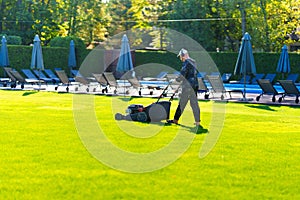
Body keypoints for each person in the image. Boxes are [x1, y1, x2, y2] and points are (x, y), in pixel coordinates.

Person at [167, 48, 202, 128]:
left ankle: (175, 120)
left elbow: (183, 75)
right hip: (195, 85)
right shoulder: (193, 61)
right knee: (194, 103)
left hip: (188, 86)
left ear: (184, 56)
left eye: (181, 57)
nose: (181, 59)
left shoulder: (186, 62)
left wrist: (175, 80)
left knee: (182, 103)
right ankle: (197, 122)